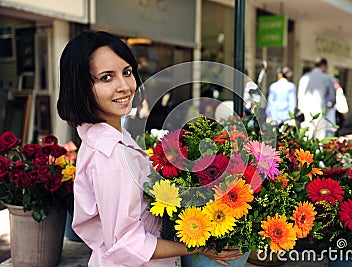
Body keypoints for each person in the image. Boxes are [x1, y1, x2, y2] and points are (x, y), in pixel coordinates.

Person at [56, 31, 242, 267]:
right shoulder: (111, 155)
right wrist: (200, 247)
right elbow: (125, 244)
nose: (124, 86)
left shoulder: (109, 139)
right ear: (80, 87)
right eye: (106, 78)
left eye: (127, 72)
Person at [297, 57, 336, 139]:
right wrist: (331, 104)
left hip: (306, 111)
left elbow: (300, 94)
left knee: (307, 136)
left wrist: (300, 107)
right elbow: (332, 95)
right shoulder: (326, 78)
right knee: (319, 137)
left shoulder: (305, 77)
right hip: (320, 110)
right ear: (324, 66)